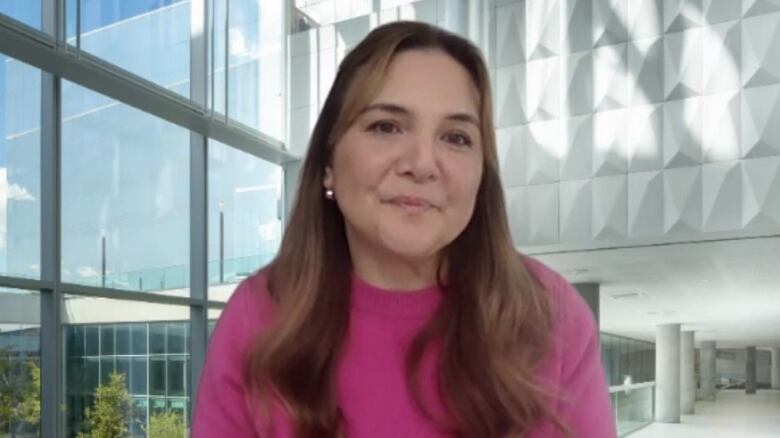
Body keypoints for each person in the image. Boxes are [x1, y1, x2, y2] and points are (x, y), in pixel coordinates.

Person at [192, 21, 616, 438]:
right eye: (386, 127)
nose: (423, 164)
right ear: (327, 164)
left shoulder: (551, 316)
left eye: (456, 137)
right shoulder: (258, 317)